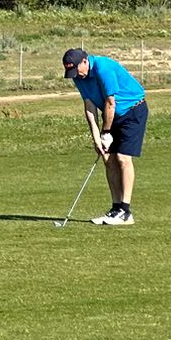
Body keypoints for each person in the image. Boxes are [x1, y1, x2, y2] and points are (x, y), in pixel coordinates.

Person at [63, 46, 148, 225]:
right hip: (112, 115)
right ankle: (116, 208)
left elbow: (110, 102)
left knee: (123, 158)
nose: (76, 75)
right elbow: (89, 107)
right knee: (107, 158)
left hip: (132, 110)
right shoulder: (78, 76)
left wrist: (106, 132)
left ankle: (125, 212)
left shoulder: (104, 68)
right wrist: (96, 138)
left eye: (76, 70)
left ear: (85, 61)